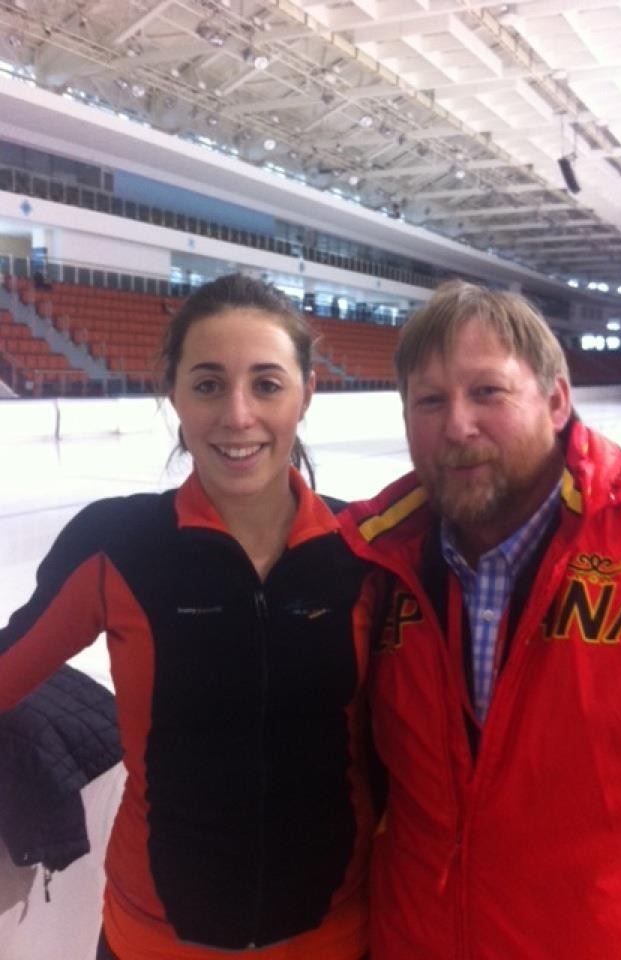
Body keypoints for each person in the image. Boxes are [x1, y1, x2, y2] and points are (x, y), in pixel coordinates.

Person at [0, 273, 377, 960]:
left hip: (338, 939)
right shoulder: (117, 545)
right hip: (154, 941)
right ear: (173, 393)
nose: (237, 415)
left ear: (308, 393)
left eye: (266, 384)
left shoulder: (365, 551)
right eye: (207, 384)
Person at [339, 280, 621, 960]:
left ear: (555, 400)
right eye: (429, 400)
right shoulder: (369, 570)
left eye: (487, 391)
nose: (457, 425)